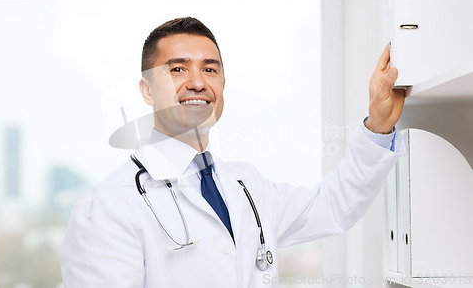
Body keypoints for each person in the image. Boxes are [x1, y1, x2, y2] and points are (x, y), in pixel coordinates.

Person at [61, 17, 405, 287]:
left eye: (210, 69)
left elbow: (332, 207)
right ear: (147, 90)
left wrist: (378, 123)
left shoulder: (245, 185)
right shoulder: (108, 206)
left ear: (222, 86)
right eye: (177, 69)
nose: (198, 82)